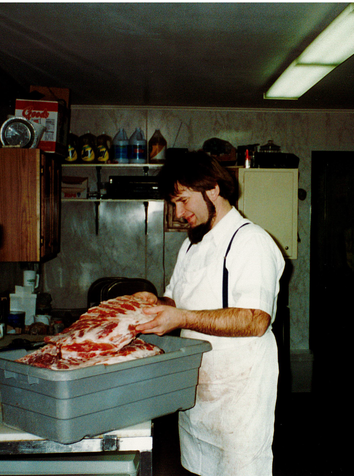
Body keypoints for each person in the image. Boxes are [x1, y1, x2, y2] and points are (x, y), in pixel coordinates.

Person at [135, 151, 285, 476]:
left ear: (213, 189)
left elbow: (256, 320)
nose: (179, 213)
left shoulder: (251, 243)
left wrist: (183, 319)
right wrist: (147, 304)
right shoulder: (192, 246)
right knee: (197, 469)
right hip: (199, 395)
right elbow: (174, 301)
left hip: (238, 398)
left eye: (184, 201)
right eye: (174, 204)